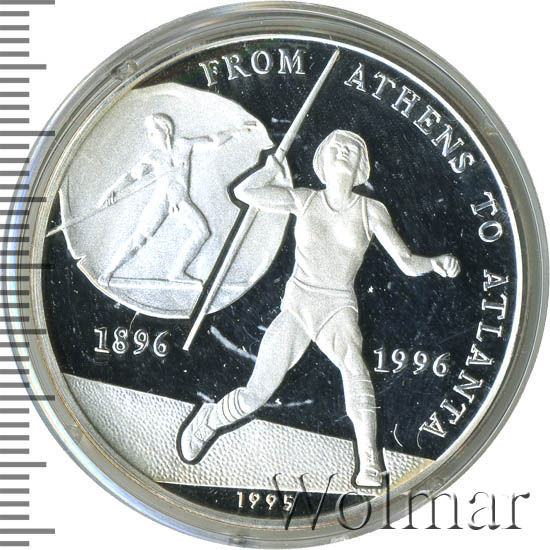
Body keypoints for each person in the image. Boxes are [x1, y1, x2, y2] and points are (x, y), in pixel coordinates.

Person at [179, 129, 460, 487]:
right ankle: (209, 421)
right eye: (335, 147)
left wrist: (434, 263)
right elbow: (245, 193)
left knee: (355, 368)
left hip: (337, 307)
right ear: (322, 161)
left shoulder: (371, 210)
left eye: (351, 148)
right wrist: (269, 168)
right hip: (299, 305)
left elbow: (405, 262)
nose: (342, 150)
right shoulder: (305, 199)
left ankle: (370, 463)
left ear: (361, 167)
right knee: (257, 392)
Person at [97, 113, 249, 286]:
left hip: (181, 201)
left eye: (153, 131)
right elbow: (131, 176)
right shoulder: (153, 157)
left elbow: (213, 140)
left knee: (202, 232)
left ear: (166, 129)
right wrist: (112, 191)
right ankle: (108, 273)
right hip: (161, 201)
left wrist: (235, 131)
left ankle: (177, 272)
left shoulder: (183, 145)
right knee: (139, 239)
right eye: (148, 132)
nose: (150, 135)